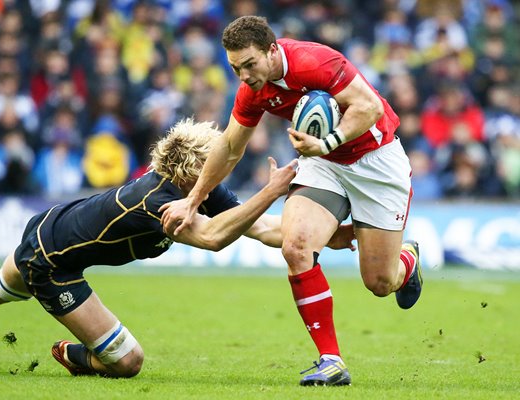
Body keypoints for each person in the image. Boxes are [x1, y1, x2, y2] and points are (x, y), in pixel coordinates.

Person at [0, 119, 355, 377]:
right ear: (191, 170)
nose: (223, 166)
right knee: (129, 362)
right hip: (53, 262)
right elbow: (214, 238)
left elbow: (260, 229)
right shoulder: (159, 201)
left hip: (51, 227)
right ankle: (75, 354)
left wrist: (332, 234)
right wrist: (271, 190)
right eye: (214, 161)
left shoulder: (200, 190)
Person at [160, 16, 423, 387]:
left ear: (272, 50)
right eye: (235, 68)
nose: (244, 75)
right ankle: (331, 361)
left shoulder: (315, 62)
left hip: (375, 162)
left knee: (380, 282)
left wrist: (326, 142)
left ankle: (407, 261)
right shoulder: (252, 89)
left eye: (250, 65)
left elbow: (369, 108)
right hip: (323, 165)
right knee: (296, 246)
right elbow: (231, 147)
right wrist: (193, 199)